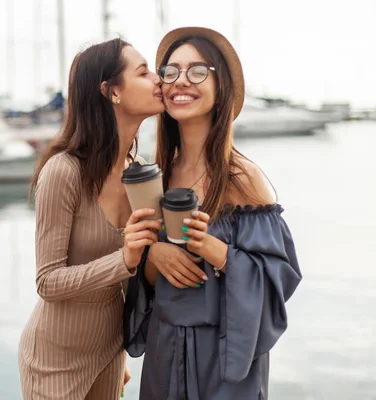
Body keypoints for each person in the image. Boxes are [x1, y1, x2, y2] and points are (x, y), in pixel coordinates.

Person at [137, 27, 303, 399]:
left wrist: (214, 249)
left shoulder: (242, 177)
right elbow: (145, 283)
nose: (182, 81)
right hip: (165, 354)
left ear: (220, 85)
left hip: (224, 358)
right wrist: (153, 252)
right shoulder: (157, 172)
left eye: (197, 71)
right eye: (171, 71)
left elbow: (278, 279)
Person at [18, 38, 165, 400]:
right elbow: (47, 282)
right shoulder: (63, 171)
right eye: (144, 72)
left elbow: (131, 281)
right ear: (111, 91)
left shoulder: (142, 174)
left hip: (109, 354)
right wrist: (124, 259)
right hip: (54, 361)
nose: (159, 79)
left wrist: (124, 347)